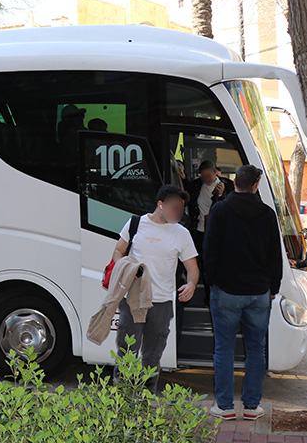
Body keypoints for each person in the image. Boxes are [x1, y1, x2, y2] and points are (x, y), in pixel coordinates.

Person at [204, 165, 282, 421]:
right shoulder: (267, 214)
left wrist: (211, 282)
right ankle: (251, 406)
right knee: (256, 350)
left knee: (223, 349)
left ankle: (224, 406)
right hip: (259, 291)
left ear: (234, 182)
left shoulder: (220, 210)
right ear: (255, 185)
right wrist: (274, 286)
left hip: (226, 290)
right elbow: (274, 256)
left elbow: (210, 251)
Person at [112, 185, 199, 393]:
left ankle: (146, 397)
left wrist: (191, 284)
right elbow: (118, 251)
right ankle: (122, 400)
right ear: (161, 205)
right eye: (175, 208)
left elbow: (192, 268)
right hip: (134, 300)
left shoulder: (181, 233)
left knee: (152, 356)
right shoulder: (135, 224)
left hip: (162, 303)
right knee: (127, 352)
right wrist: (124, 268)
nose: (179, 213)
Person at [188, 160, 233, 304]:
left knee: (217, 264)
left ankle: (218, 294)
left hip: (217, 233)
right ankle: (208, 295)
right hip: (200, 231)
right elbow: (187, 192)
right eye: (203, 176)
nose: (206, 179)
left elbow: (231, 207)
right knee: (203, 263)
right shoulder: (197, 185)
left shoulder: (227, 185)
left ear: (215, 173)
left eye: (208, 176)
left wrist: (221, 195)